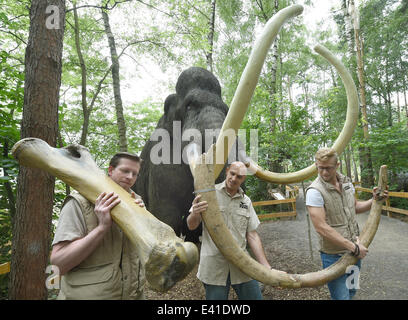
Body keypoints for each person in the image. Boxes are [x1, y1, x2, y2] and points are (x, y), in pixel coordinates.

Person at [50, 152, 146, 300]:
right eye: (125, 171)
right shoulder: (78, 203)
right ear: (110, 170)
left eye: (135, 173)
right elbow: (59, 265)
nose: (130, 177)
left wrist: (142, 220)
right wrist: (102, 227)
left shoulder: (137, 203)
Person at [306, 147, 387, 300]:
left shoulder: (346, 183)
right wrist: (354, 247)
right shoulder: (314, 192)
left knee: (351, 292)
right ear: (316, 165)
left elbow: (355, 207)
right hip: (334, 257)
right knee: (341, 297)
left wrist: (374, 200)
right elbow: (321, 228)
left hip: (354, 253)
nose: (324, 172)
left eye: (328, 168)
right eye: (320, 168)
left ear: (337, 165)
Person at [187, 161, 271, 300]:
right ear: (227, 171)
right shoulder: (208, 193)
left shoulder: (246, 201)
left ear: (243, 179)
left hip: (242, 265)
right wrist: (195, 213)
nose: (234, 179)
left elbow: (252, 235)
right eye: (232, 174)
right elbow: (191, 225)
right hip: (214, 266)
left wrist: (265, 265)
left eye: (239, 177)